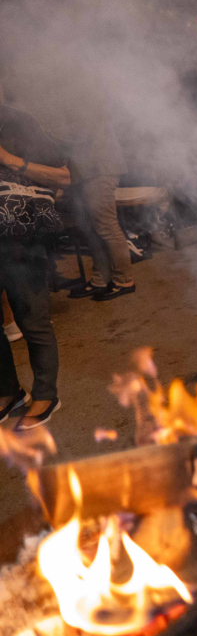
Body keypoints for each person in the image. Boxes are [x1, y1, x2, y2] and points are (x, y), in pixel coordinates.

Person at [0, 89, 70, 430]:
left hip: (19, 240)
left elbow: (63, 177)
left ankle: (46, 393)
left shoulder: (20, 123)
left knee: (32, 320)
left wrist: (9, 160)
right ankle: (7, 392)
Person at [62, 102, 134, 301]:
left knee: (106, 226)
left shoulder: (85, 91)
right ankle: (100, 279)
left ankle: (124, 280)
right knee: (91, 229)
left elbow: (80, 129)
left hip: (99, 168)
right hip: (84, 171)